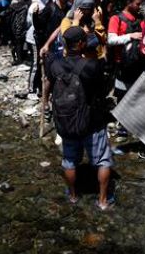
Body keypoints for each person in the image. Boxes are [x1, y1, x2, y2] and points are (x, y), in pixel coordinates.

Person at [46, 26, 114, 210]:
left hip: (66, 121)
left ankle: (74, 196)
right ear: (82, 43)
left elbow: (49, 82)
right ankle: (102, 201)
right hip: (91, 122)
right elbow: (103, 90)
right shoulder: (92, 66)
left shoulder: (54, 64)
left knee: (69, 161)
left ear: (65, 44)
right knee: (102, 160)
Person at [107, 0, 145, 101]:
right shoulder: (116, 18)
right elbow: (111, 40)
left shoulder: (140, 18)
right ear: (128, 3)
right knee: (123, 97)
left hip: (137, 63)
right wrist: (130, 36)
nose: (140, 7)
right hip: (122, 64)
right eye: (137, 4)